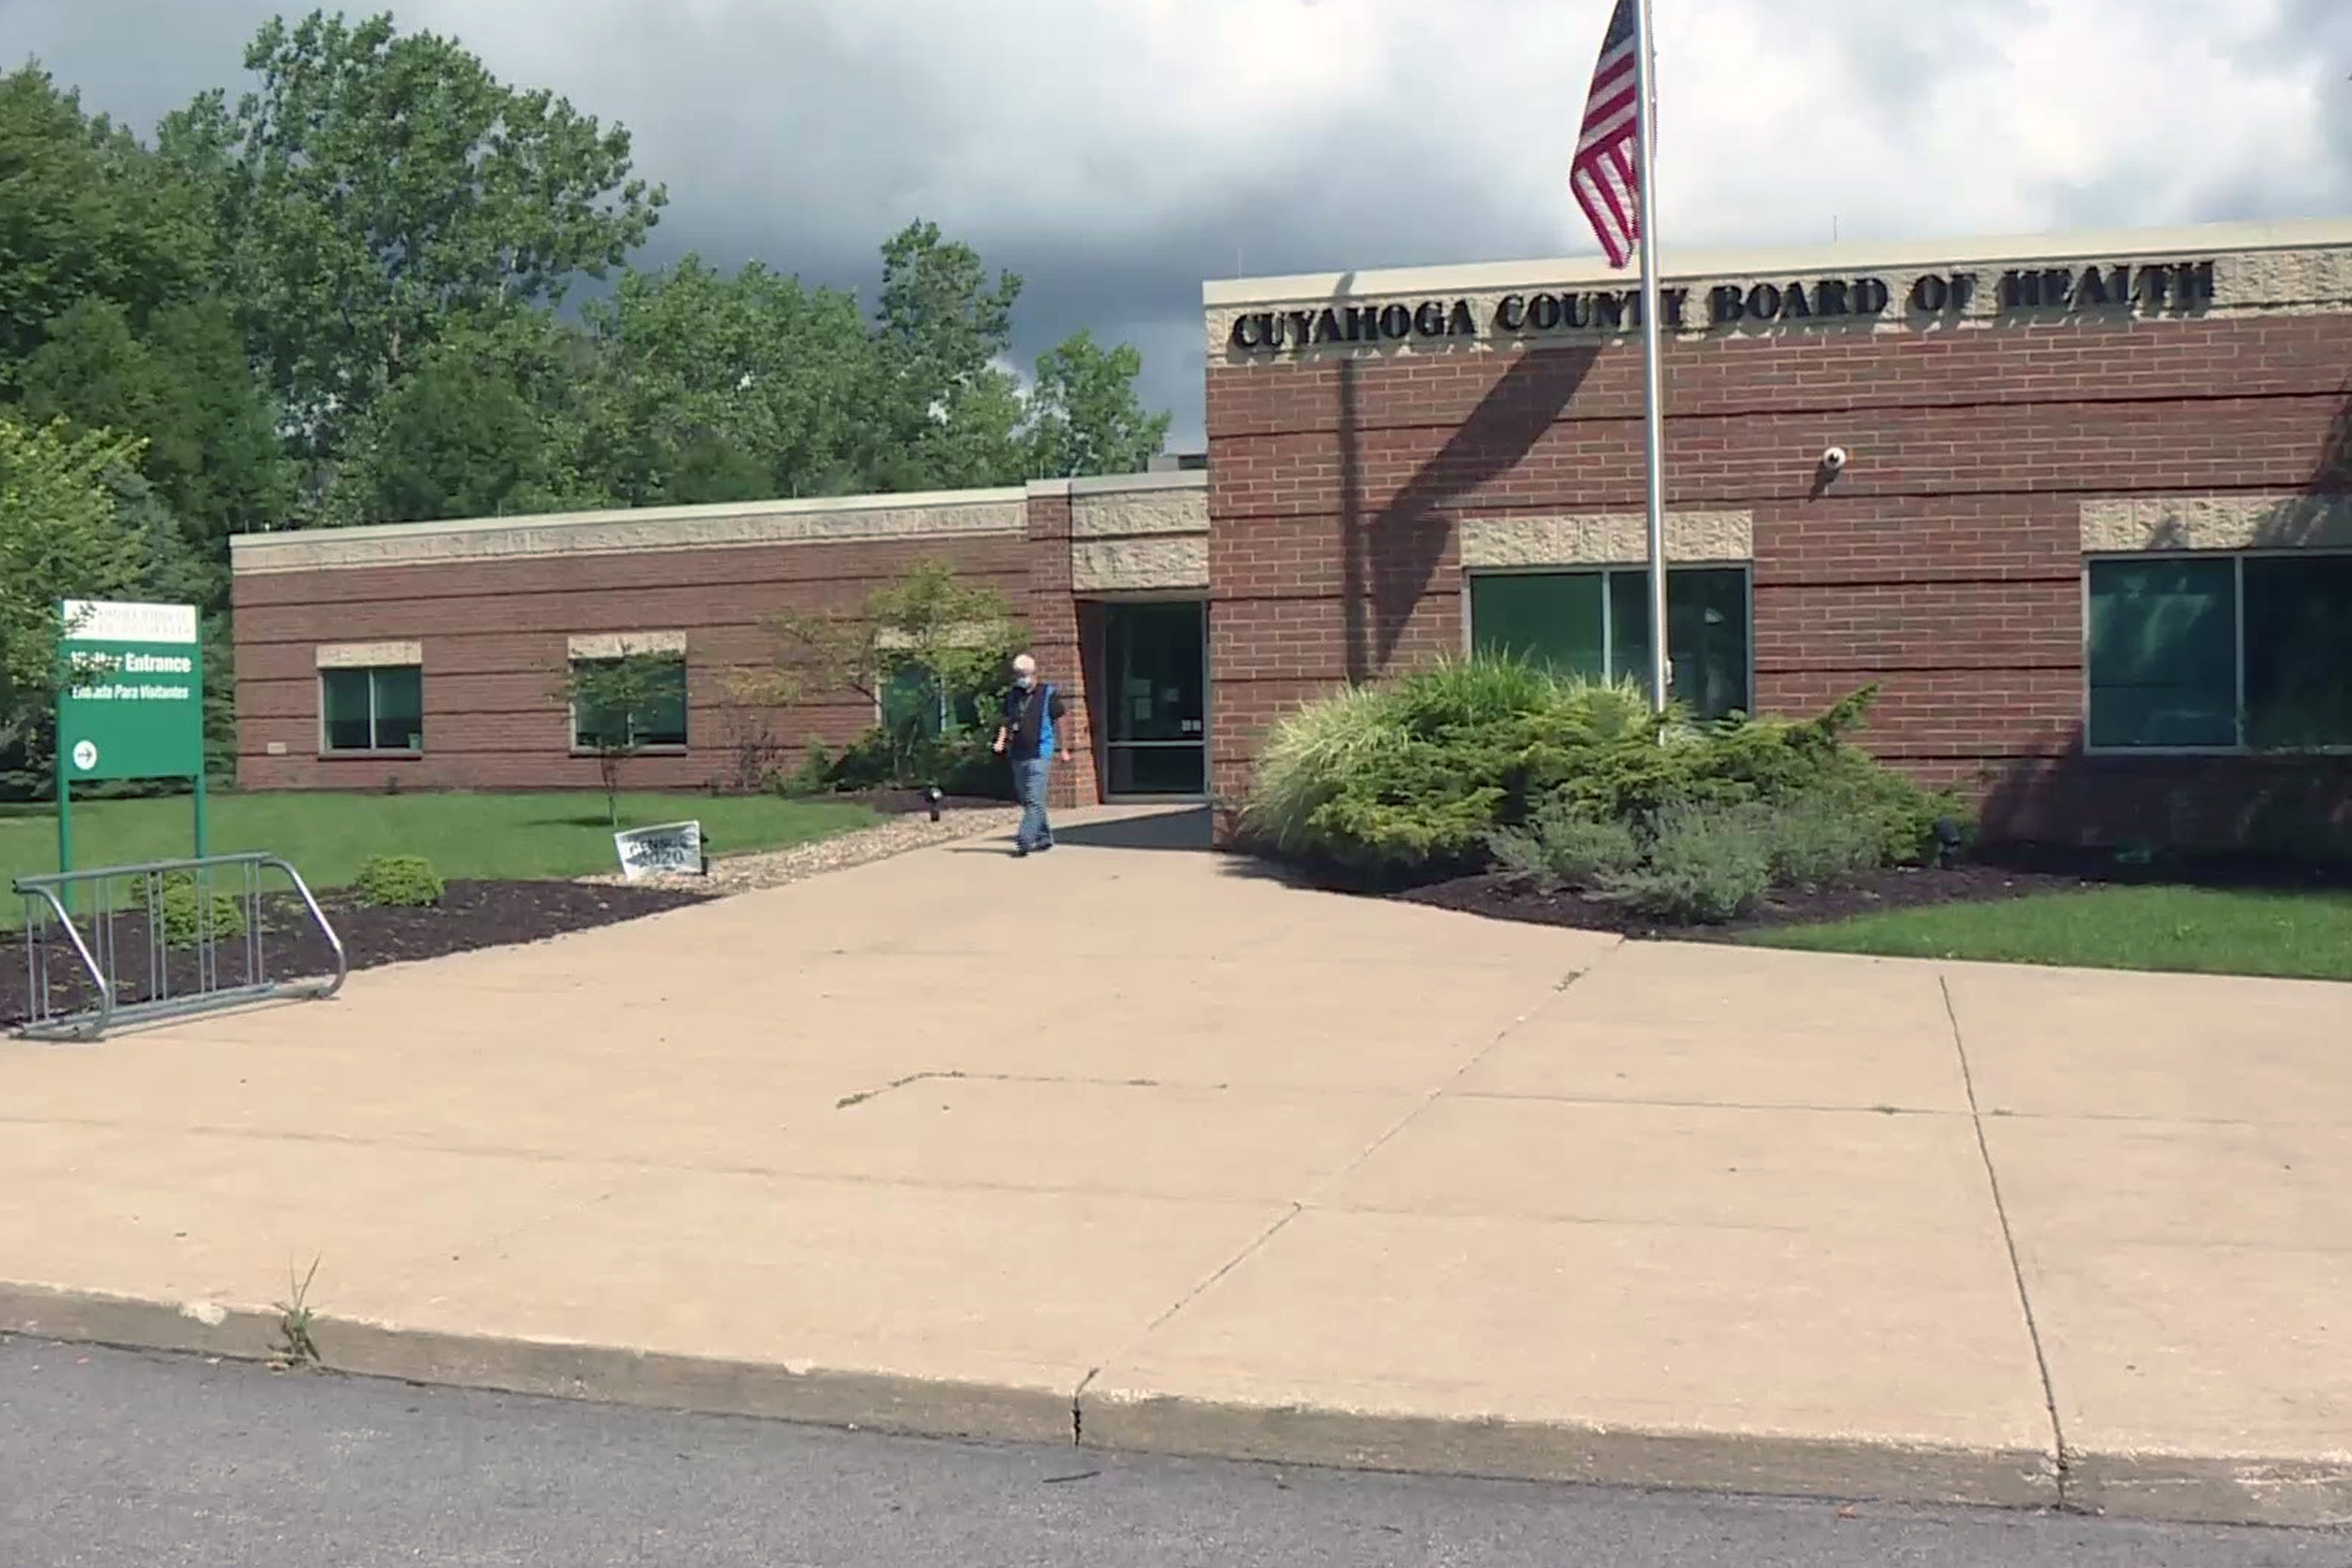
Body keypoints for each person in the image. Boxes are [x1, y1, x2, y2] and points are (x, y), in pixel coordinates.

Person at [993, 652, 1071, 857]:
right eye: (1018, 674)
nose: (1021, 678)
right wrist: (1001, 740)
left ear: (1033, 672)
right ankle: (1044, 837)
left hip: (1040, 752)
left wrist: (1063, 749)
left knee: (1034, 799)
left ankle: (1024, 839)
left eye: (1024, 674)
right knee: (1028, 799)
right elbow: (1006, 721)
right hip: (1017, 753)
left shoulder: (1048, 694)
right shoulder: (1012, 696)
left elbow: (1061, 720)